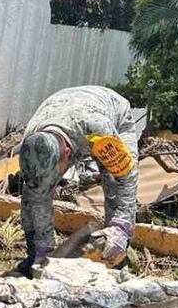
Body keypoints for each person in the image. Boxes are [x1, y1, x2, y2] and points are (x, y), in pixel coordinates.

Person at [15, 86, 141, 277]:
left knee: (113, 183)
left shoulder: (97, 129)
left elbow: (125, 176)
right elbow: (37, 196)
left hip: (111, 115)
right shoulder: (32, 140)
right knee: (31, 194)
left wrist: (121, 226)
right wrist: (43, 251)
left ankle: (116, 258)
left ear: (66, 153)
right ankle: (35, 255)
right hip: (60, 106)